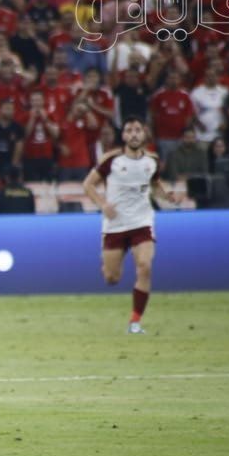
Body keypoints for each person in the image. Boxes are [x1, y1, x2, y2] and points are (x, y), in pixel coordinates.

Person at [82, 117, 181, 334]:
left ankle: (134, 323)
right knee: (112, 278)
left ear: (144, 134)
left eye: (137, 130)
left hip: (142, 222)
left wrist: (166, 194)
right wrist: (102, 204)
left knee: (145, 266)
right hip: (115, 224)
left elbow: (154, 184)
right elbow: (88, 184)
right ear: (124, 136)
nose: (134, 134)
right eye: (129, 130)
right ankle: (107, 264)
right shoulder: (111, 160)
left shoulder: (152, 160)